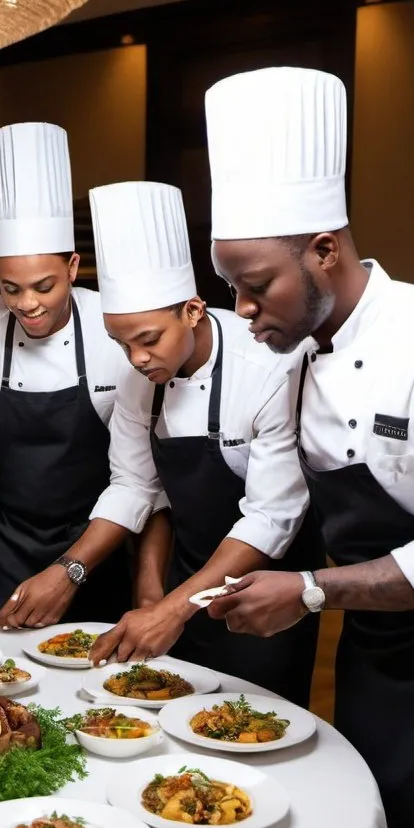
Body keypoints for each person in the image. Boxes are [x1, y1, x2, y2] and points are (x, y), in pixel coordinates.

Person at [203, 66, 414, 828]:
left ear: (325, 251)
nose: (243, 310)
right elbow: (278, 505)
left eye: (256, 284)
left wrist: (308, 591)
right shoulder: (299, 359)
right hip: (377, 668)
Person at [86, 181, 323, 706]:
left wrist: (175, 607)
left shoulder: (267, 368)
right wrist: (154, 593)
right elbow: (137, 487)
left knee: (257, 725)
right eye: (121, 344)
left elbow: (270, 516)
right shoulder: (135, 379)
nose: (137, 359)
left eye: (149, 340)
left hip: (263, 592)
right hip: (186, 575)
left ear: (192, 310)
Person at [0, 123, 142, 634]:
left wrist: (72, 569)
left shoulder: (114, 333)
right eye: (10, 288)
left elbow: (136, 478)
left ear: (73, 266)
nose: (26, 304)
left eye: (44, 286)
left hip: (98, 549)